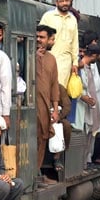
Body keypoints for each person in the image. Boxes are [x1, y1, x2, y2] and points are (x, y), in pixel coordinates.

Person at [73, 44, 100, 169]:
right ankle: (80, 164)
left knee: (89, 135)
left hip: (89, 107)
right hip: (81, 107)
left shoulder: (88, 67)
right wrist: (84, 97)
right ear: (94, 55)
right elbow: (75, 86)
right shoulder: (80, 67)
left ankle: (85, 163)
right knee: (82, 136)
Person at [35, 24, 60, 184]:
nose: (39, 40)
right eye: (37, 36)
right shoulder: (28, 53)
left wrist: (55, 108)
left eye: (42, 37)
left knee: (43, 138)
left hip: (45, 107)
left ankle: (37, 173)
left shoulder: (51, 59)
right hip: (33, 105)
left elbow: (54, 85)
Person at [39, 0, 79, 87]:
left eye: (66, 0)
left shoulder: (72, 19)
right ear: (56, 2)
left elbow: (75, 43)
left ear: (70, 1)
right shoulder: (48, 16)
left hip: (65, 63)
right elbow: (39, 37)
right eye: (62, 1)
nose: (65, 3)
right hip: (48, 59)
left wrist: (75, 63)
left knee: (60, 92)